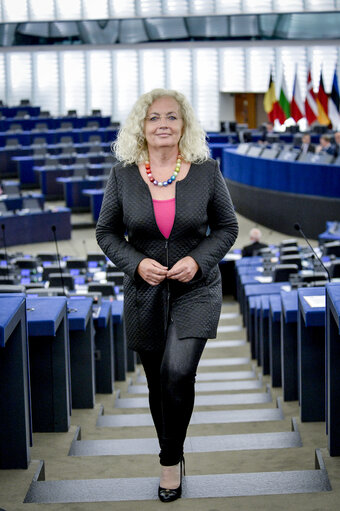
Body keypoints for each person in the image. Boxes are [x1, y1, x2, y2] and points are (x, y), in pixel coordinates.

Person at [96, 88, 238, 503]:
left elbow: (227, 229)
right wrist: (136, 263)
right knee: (159, 384)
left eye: (172, 117)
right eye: (154, 117)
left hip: (197, 289)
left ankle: (168, 460)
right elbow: (106, 232)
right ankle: (172, 450)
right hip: (146, 293)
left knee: (177, 372)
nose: (163, 124)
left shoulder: (207, 172)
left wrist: (198, 260)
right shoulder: (122, 175)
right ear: (141, 126)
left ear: (184, 125)